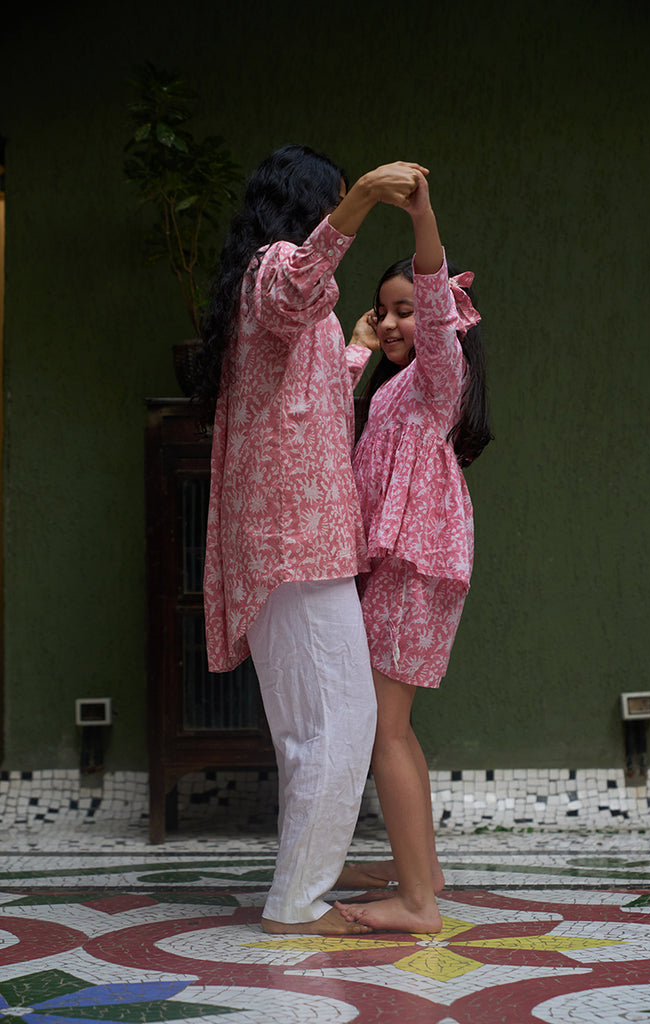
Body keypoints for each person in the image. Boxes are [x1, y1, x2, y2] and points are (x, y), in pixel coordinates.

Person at [196, 144, 430, 936]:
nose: (341, 214)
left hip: (291, 537)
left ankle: (300, 885)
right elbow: (300, 284)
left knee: (311, 729)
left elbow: (315, 392)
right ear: (309, 206)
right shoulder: (277, 268)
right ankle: (297, 901)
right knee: (341, 723)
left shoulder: (269, 288)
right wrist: (362, 197)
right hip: (294, 537)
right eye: (330, 201)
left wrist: (357, 345)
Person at [335, 171, 492, 933]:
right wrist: (357, 347)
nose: (396, 323)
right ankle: (420, 868)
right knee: (392, 723)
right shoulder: (391, 390)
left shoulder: (437, 376)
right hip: (404, 561)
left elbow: (433, 300)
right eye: (384, 311)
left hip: (415, 560)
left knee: (381, 727)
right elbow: (322, 420)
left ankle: (418, 904)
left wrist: (424, 215)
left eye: (406, 312)